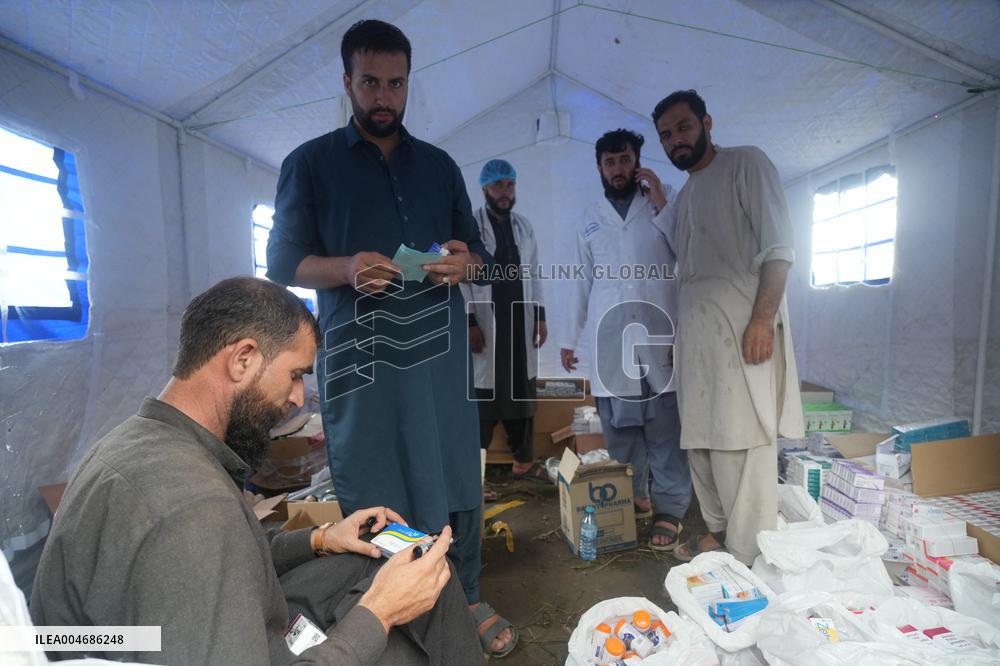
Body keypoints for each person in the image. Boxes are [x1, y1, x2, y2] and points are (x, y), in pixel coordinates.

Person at [30, 277, 484, 665]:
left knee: (405, 565)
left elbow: (218, 559)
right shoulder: (194, 507)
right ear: (242, 359)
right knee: (418, 602)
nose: (297, 397)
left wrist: (321, 538)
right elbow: (202, 551)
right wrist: (379, 614)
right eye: (294, 374)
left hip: (152, 638)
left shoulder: (137, 440)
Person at [265, 20, 515, 657]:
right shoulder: (311, 164)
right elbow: (283, 262)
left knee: (453, 467)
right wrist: (346, 268)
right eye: (369, 82)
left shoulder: (437, 166)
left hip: (437, 346)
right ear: (347, 81)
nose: (383, 96)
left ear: (409, 85)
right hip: (362, 356)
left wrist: (467, 263)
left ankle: (464, 592)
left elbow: (478, 252)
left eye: (395, 84)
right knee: (380, 476)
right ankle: (392, 602)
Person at [650, 90, 804, 565]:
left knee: (744, 438)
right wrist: (680, 336)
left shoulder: (746, 165)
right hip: (698, 338)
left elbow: (778, 248)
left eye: (683, 127)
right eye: (666, 135)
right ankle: (718, 531)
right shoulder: (687, 195)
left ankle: (750, 551)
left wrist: (762, 320)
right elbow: (689, 270)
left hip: (744, 332)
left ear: (707, 122)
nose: (676, 140)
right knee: (701, 437)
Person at [560, 129, 692, 551]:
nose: (618, 169)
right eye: (610, 162)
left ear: (638, 161)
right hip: (611, 336)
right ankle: (633, 495)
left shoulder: (665, 200)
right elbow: (580, 281)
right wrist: (569, 337)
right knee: (619, 427)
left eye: (625, 160)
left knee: (664, 426)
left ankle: (670, 508)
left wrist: (660, 203)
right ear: (600, 168)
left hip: (657, 333)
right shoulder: (589, 217)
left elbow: (687, 248)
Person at [460, 159, 548, 484]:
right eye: (498, 185)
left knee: (522, 393)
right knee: (484, 400)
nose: (505, 192)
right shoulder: (470, 227)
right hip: (486, 322)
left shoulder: (524, 227)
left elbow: (535, 273)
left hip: (518, 322)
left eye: (509, 185)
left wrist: (539, 317)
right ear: (485, 188)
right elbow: (462, 280)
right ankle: (474, 477)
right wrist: (470, 321)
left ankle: (524, 462)